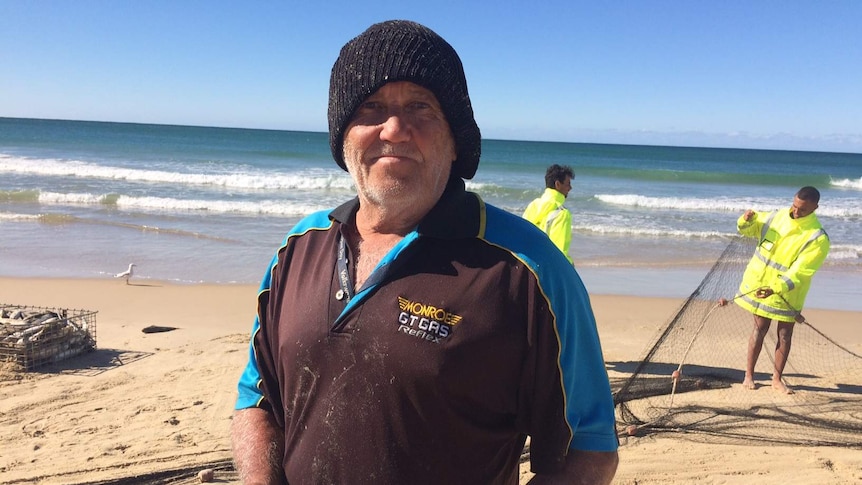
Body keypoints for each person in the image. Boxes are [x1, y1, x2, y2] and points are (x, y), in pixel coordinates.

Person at [231, 20, 618, 484]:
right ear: (342, 134)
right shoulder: (298, 248)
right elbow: (257, 397)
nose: (394, 129)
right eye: (371, 107)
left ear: (456, 140)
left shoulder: (529, 272)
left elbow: (588, 453)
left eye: (421, 107)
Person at [735, 186, 830, 394]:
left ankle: (777, 379)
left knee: (785, 335)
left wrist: (776, 288)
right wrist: (746, 220)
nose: (796, 212)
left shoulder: (817, 237)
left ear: (815, 208)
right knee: (759, 330)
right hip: (760, 285)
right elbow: (747, 230)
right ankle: (748, 375)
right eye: (795, 206)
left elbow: (802, 271)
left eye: (803, 210)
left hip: (787, 294)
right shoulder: (776, 217)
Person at [522, 164, 575, 263]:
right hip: (545, 268)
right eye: (568, 184)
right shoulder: (562, 213)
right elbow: (559, 253)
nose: (570, 188)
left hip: (527, 264)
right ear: (558, 184)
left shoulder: (533, 205)